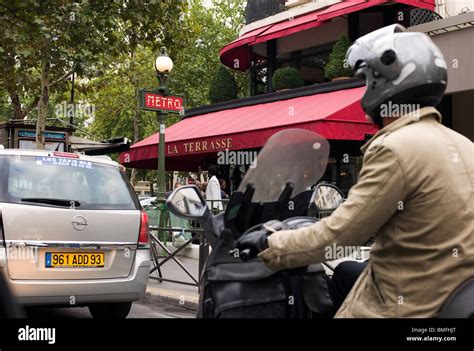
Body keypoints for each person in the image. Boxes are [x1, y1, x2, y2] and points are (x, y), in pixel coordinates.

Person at [236, 24, 474, 317]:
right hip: (450, 293)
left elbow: (337, 237)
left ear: (384, 82)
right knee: (347, 272)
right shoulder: (464, 145)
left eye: (366, 81)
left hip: (408, 306)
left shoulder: (394, 147)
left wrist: (269, 243)